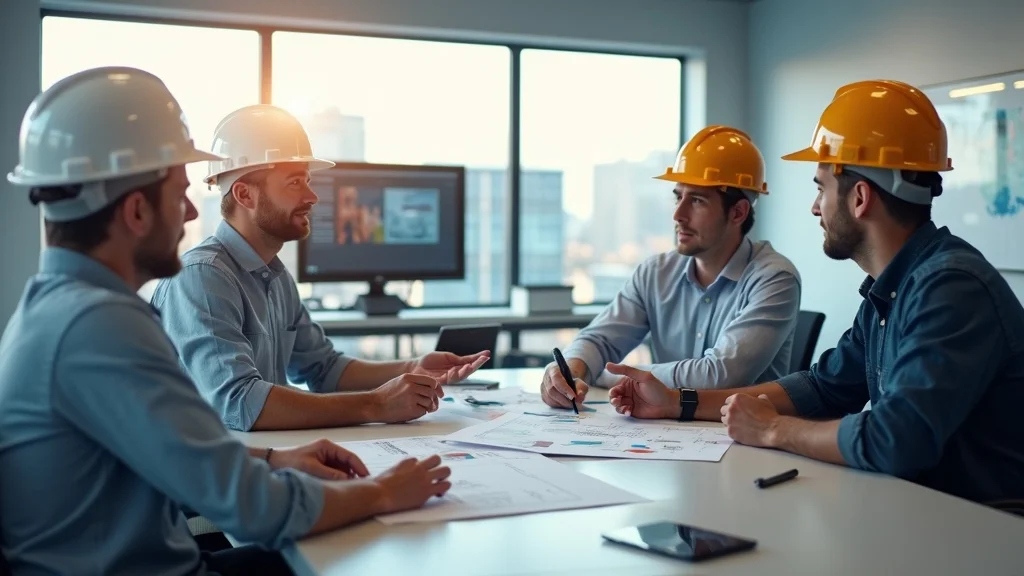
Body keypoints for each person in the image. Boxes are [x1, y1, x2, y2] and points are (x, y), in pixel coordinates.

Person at [0, 67, 452, 576]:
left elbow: (175, 449)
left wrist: (272, 460)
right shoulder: (99, 327)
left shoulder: (61, 310)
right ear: (136, 212)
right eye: (178, 193)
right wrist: (384, 491)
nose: (192, 213)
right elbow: (253, 508)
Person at [604, 80, 1024, 504]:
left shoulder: (951, 288)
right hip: (925, 513)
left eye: (821, 187)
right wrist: (677, 403)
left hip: (986, 530)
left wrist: (773, 428)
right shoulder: (891, 290)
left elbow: (896, 439)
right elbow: (823, 389)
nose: (814, 205)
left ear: (859, 198)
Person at [151, 104, 488, 432]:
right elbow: (240, 402)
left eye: (308, 181)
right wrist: (376, 404)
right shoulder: (203, 277)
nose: (313, 196)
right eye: (295, 182)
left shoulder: (276, 276)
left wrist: (414, 367)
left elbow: (323, 369)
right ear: (245, 195)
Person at [542, 126, 801, 409]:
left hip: (742, 439)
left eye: (697, 201)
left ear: (737, 212)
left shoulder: (775, 279)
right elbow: (599, 339)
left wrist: (610, 376)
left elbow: (719, 376)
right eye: (679, 197)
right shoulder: (655, 273)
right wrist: (570, 370)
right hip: (665, 435)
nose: (678, 214)